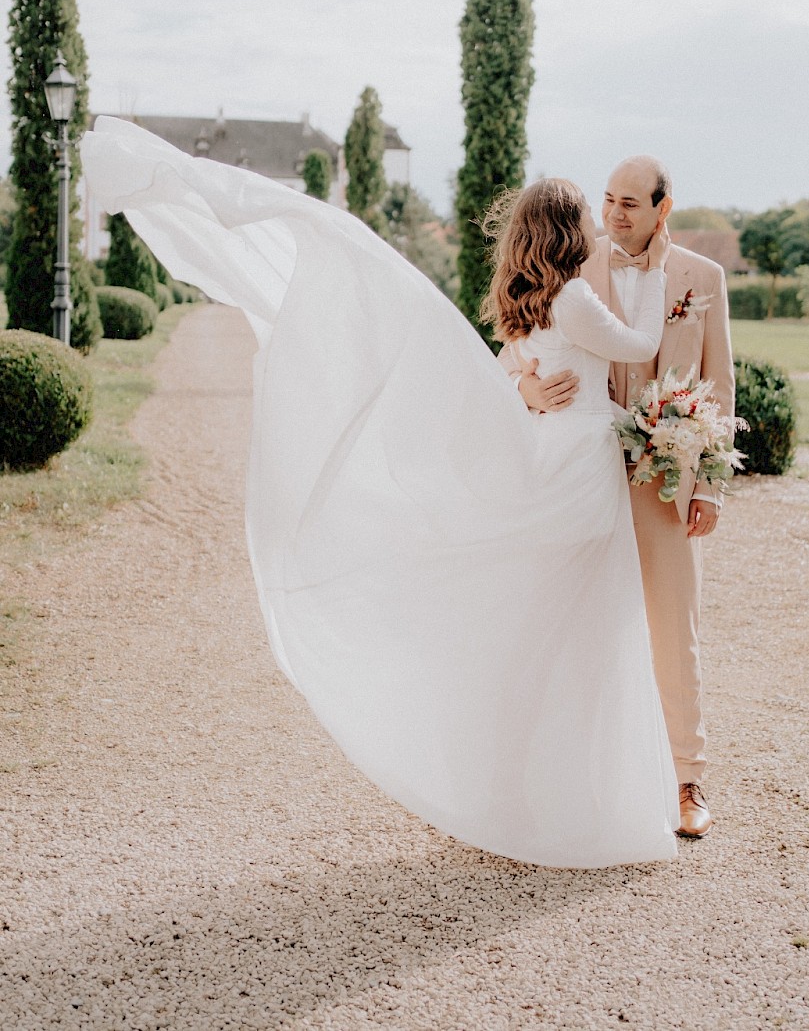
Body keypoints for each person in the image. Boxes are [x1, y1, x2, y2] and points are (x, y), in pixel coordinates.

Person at [81, 119, 682, 868]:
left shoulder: (534, 300)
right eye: (590, 214)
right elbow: (643, 346)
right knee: (590, 637)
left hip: (548, 457)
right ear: (567, 230)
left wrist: (527, 380)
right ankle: (574, 803)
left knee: (546, 632)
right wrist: (652, 271)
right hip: (577, 473)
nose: (601, 222)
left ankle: (525, 790)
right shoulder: (577, 303)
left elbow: (506, 364)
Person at [506, 157, 735, 839]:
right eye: (607, 200)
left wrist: (713, 486)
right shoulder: (574, 270)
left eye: (631, 203)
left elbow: (719, 386)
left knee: (673, 629)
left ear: (663, 208)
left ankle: (688, 781)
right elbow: (515, 349)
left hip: (665, 478)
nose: (615, 214)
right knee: (583, 628)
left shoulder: (703, 278)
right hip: (587, 473)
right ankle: (587, 776)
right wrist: (524, 391)